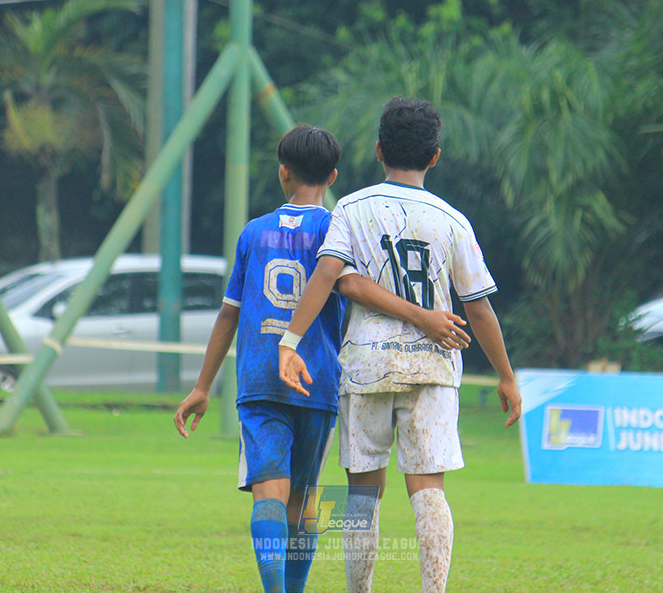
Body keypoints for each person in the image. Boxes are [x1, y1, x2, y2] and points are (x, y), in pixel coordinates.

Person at [174, 125, 471, 593]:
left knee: (269, 492)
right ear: (333, 176)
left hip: (261, 378)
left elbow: (228, 316)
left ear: (282, 171)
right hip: (318, 379)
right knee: (307, 501)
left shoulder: (253, 233)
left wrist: (201, 387)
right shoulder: (337, 225)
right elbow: (349, 283)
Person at [277, 98, 521, 593]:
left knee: (362, 493)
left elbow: (330, 276)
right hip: (433, 368)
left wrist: (291, 339)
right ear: (435, 156)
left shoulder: (350, 207)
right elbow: (478, 307)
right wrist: (506, 376)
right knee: (428, 489)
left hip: (365, 364)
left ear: (378, 149)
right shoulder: (453, 220)